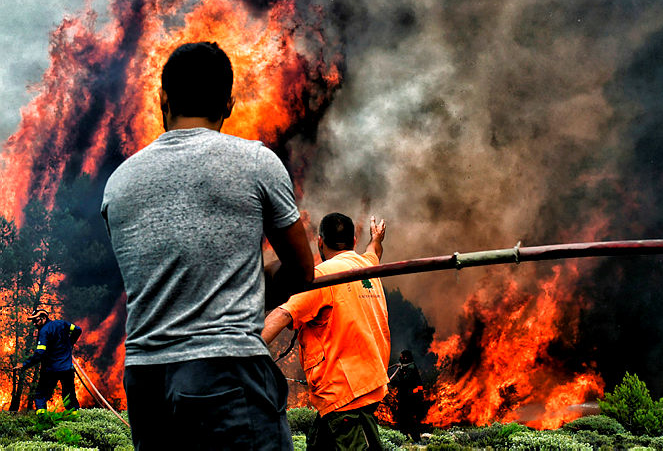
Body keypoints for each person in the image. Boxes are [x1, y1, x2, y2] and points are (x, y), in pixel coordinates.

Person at [101, 41, 315, 450]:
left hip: (146, 382)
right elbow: (302, 272)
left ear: (163, 98)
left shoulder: (119, 184)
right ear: (229, 102)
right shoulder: (255, 162)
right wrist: (258, 278)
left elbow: (160, 276)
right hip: (226, 371)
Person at [262, 213, 390, 451]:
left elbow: (282, 315)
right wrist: (376, 237)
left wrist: (245, 354)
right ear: (353, 240)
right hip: (358, 390)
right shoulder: (366, 266)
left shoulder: (321, 276)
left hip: (344, 396)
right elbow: (375, 251)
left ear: (320, 241)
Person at [18, 309, 82, 413]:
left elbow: (40, 353)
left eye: (36, 320)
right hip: (67, 369)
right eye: (33, 321)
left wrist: (24, 365)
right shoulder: (62, 323)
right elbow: (78, 330)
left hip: (50, 370)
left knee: (41, 395)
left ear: (44, 318)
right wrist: (70, 343)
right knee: (69, 396)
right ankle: (75, 419)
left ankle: (42, 419)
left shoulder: (44, 331)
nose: (34, 324)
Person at [389, 349, 424, 441]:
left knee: (409, 418)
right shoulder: (407, 367)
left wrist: (392, 382)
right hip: (405, 398)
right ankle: (405, 437)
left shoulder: (411, 368)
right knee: (402, 418)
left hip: (410, 399)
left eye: (402, 357)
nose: (400, 358)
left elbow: (404, 382)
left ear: (406, 357)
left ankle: (416, 439)